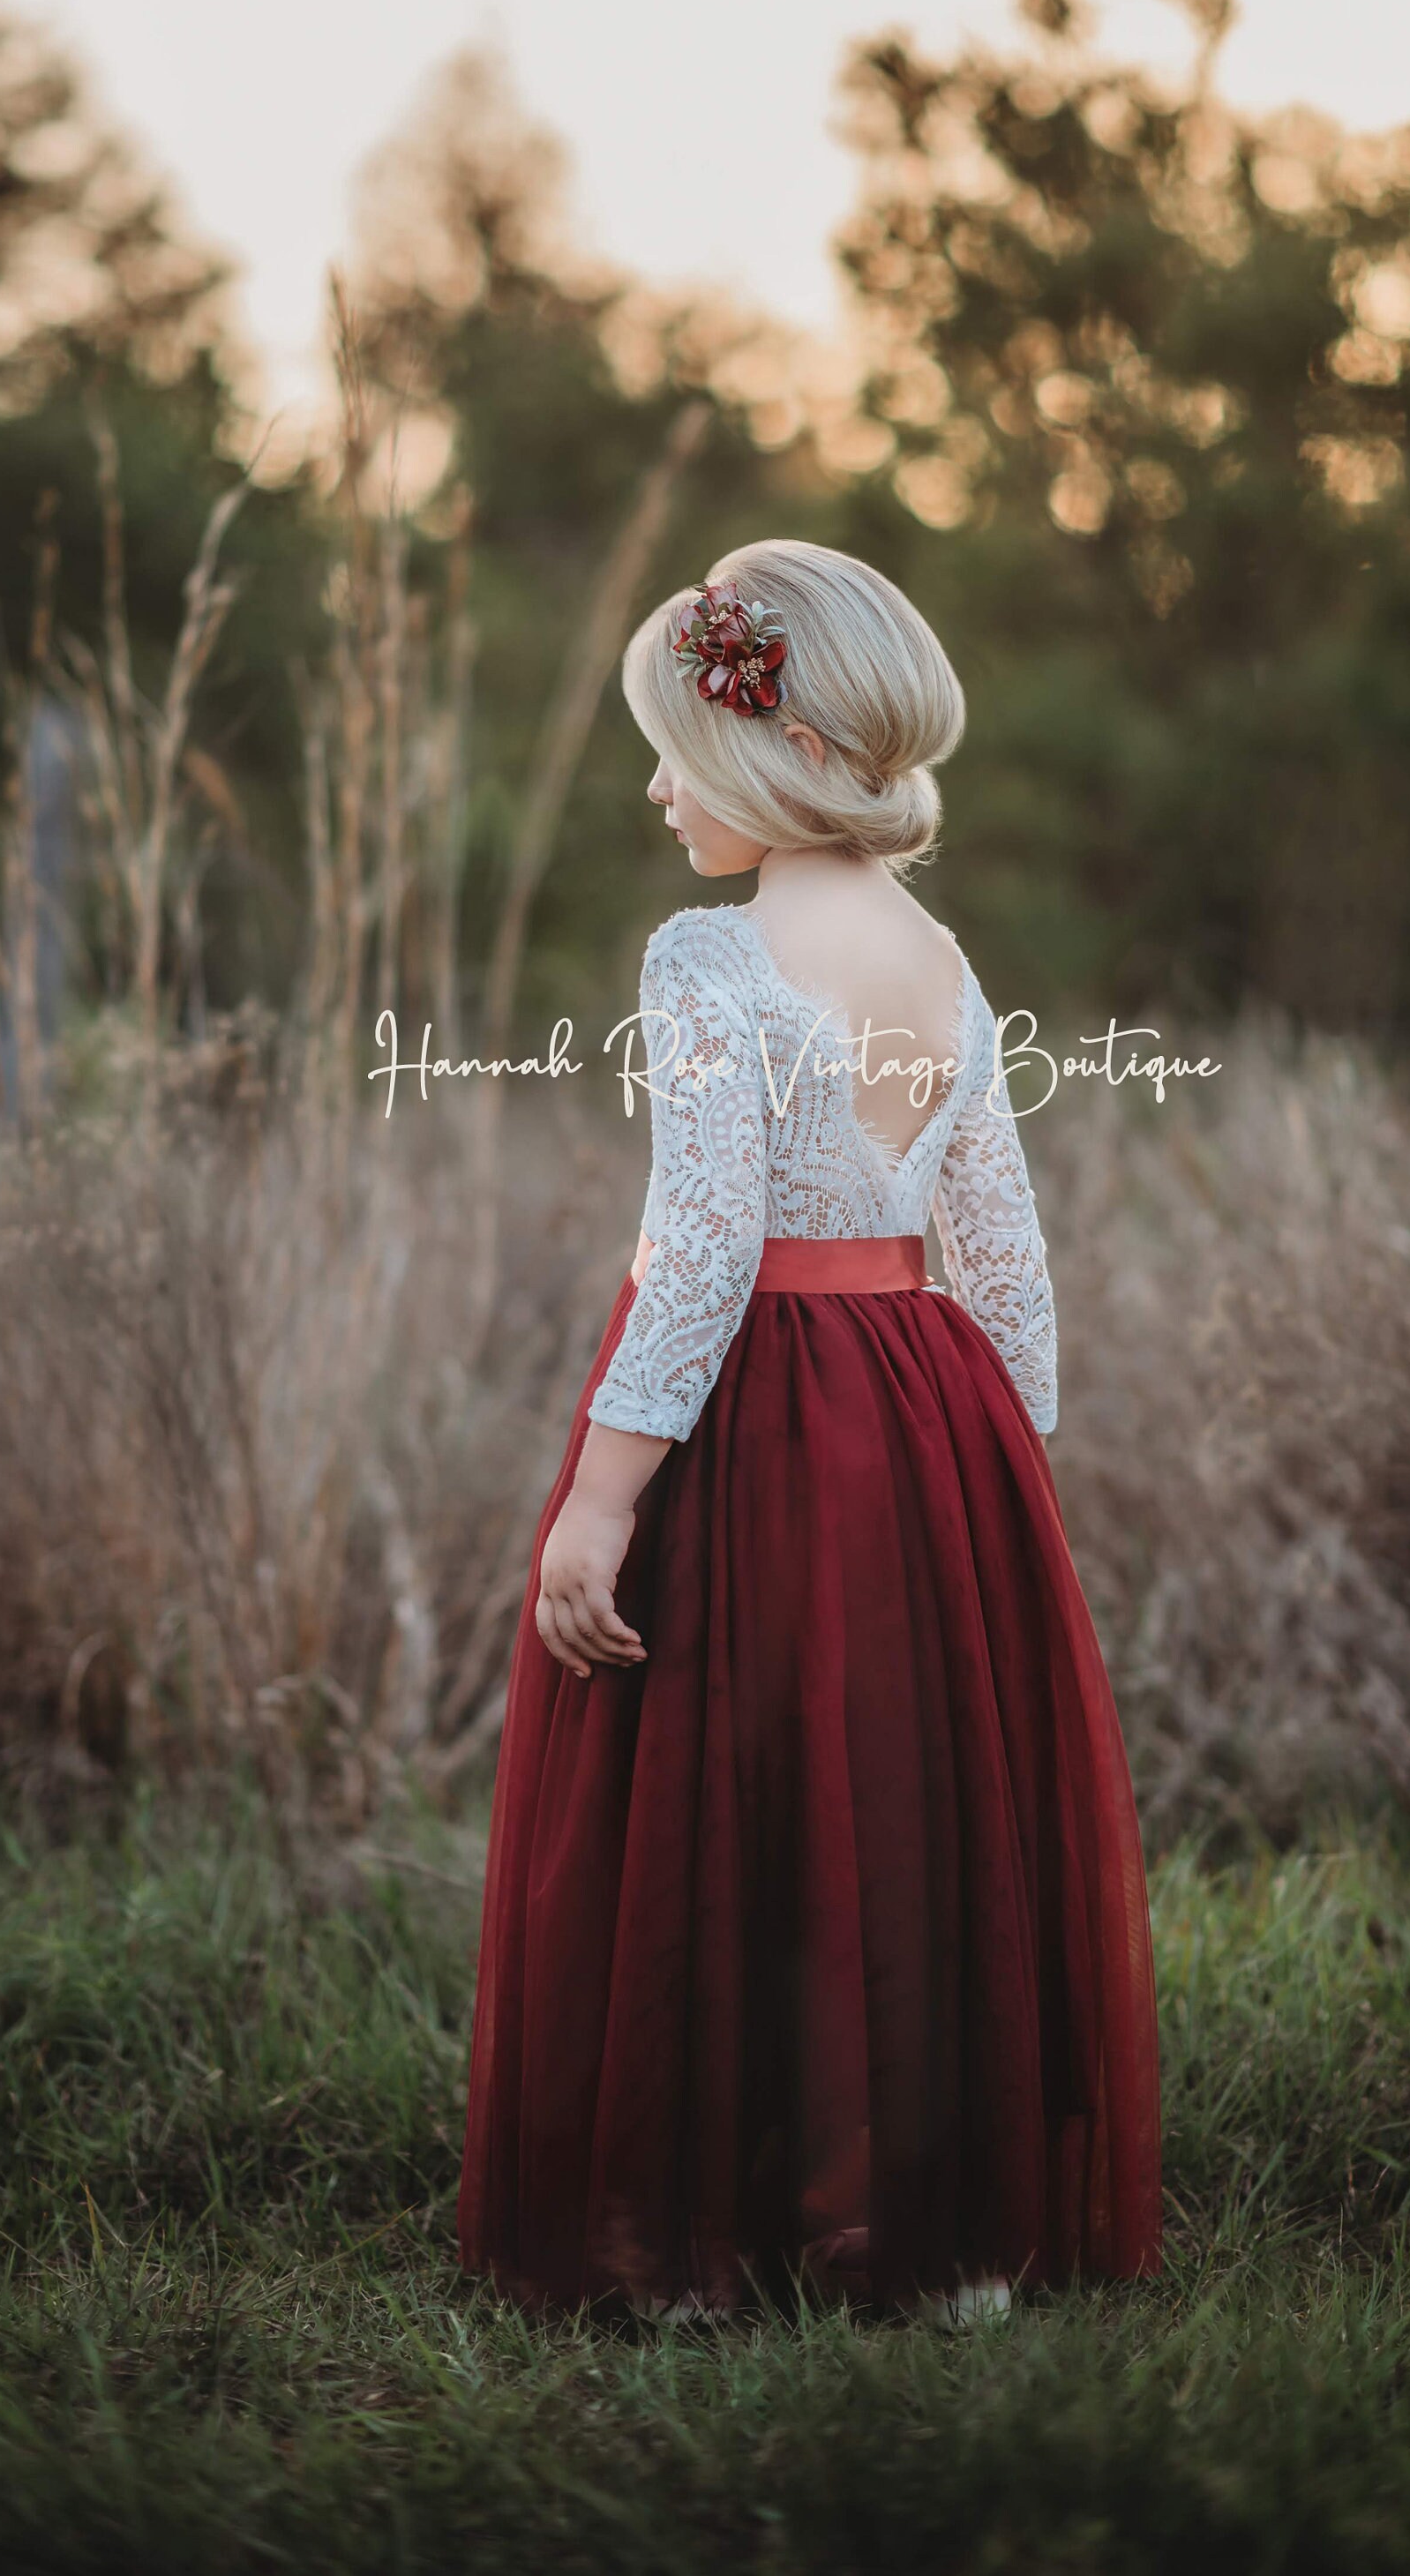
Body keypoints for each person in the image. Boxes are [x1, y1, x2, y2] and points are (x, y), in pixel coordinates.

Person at [457, 539, 1160, 2322]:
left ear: (761, 759)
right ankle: (927, 2233)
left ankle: (700, 2235)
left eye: (672, 751)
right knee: (903, 1807)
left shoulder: (710, 958)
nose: (651, 786)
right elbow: (997, 1240)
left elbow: (700, 1250)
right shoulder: (936, 952)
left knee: (738, 1791)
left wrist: (602, 1501)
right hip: (930, 1409)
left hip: (760, 1404)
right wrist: (1005, 1468)